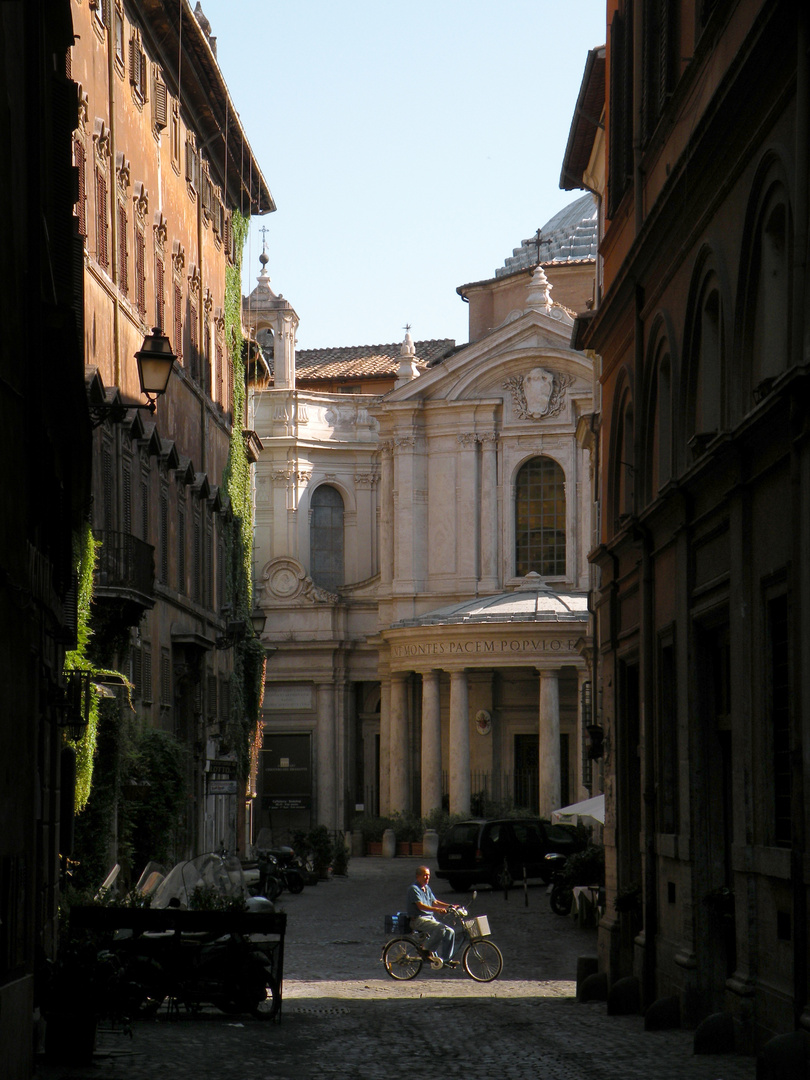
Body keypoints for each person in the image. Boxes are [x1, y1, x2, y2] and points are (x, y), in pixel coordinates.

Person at [406, 866, 459, 969]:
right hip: (418, 919)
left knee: (450, 931)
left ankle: (445, 960)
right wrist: (437, 910)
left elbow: (434, 902)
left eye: (429, 875)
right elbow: (420, 905)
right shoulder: (413, 889)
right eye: (425, 875)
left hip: (429, 919)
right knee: (440, 928)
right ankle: (426, 950)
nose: (427, 877)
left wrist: (449, 906)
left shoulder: (427, 888)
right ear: (418, 876)